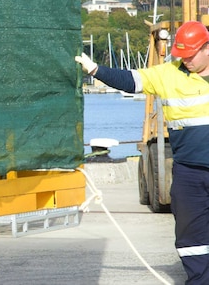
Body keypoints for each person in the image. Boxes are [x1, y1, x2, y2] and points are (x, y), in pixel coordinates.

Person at [76, 20, 209, 284]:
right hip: (188, 173)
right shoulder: (167, 74)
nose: (186, 61)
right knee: (191, 237)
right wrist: (94, 69)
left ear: (207, 48)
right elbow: (130, 80)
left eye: (191, 55)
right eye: (181, 56)